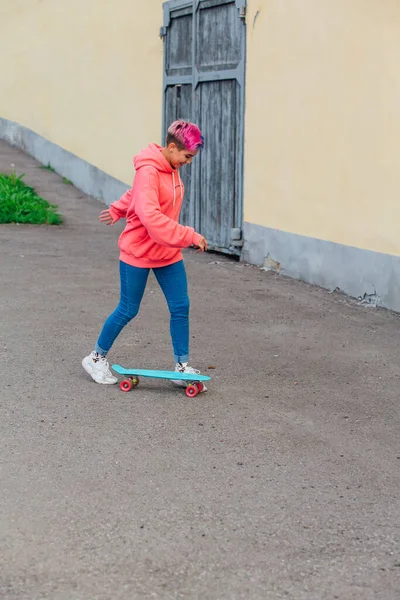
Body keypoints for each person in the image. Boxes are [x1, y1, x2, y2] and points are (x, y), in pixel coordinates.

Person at [82, 120, 208, 388]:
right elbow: (150, 214)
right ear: (172, 147)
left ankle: (182, 366)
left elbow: (137, 194)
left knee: (180, 306)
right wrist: (189, 235)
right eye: (187, 156)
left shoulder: (171, 167)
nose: (188, 162)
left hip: (167, 252)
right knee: (128, 309)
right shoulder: (150, 171)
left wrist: (119, 207)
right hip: (138, 251)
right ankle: (95, 358)